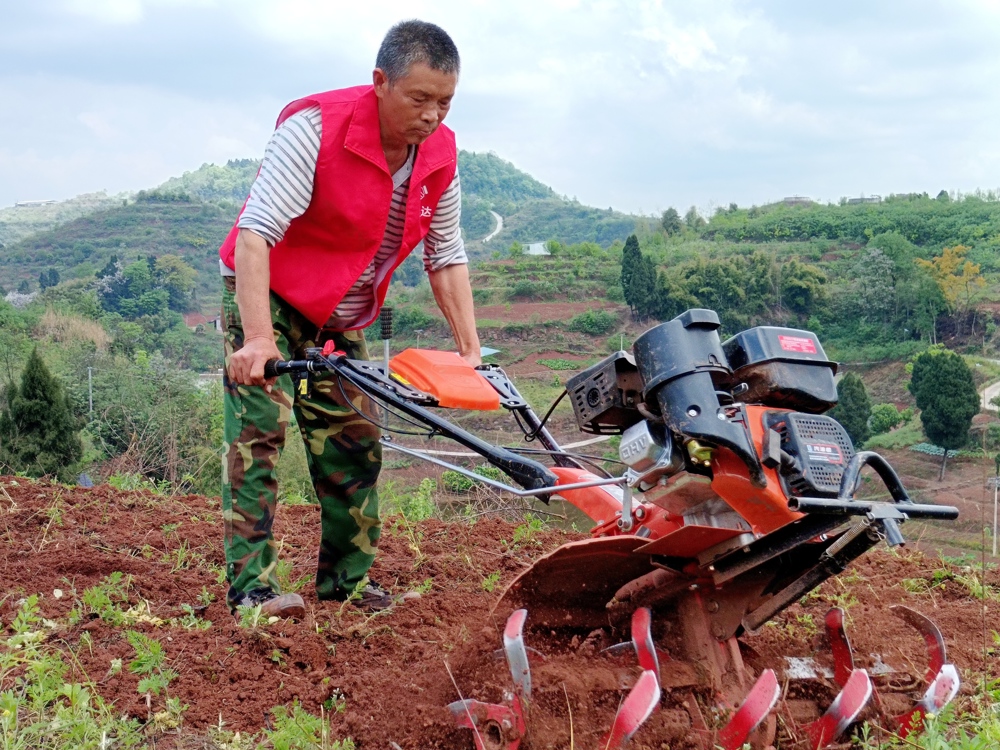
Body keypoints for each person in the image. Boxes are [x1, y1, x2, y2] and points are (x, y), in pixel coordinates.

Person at [218, 20, 481, 619]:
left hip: (341, 313)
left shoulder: (440, 155)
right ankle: (253, 591)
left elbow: (446, 255)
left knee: (354, 443)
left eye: (444, 102)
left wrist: (471, 351)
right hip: (271, 296)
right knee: (259, 435)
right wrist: (258, 338)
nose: (432, 115)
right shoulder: (315, 127)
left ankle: (347, 585)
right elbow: (257, 233)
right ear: (381, 82)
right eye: (419, 99)